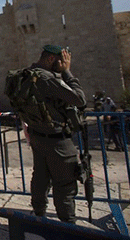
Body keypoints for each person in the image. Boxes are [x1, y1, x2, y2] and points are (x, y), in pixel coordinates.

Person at [23, 45, 86, 224]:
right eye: (62, 60)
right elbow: (79, 99)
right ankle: (68, 227)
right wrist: (67, 72)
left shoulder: (27, 74)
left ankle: (39, 216)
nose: (64, 63)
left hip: (37, 136)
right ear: (51, 59)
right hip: (57, 140)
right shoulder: (46, 78)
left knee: (40, 178)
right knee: (65, 185)